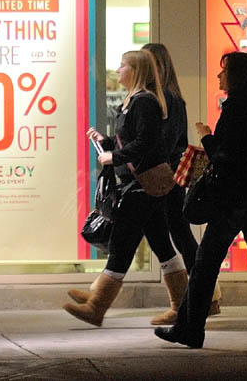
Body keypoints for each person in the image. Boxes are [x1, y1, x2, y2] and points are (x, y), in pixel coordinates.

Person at [154, 52, 247, 350]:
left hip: (231, 201)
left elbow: (225, 155)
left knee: (206, 265)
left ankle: (189, 329)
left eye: (224, 72)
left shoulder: (234, 109)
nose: (219, 77)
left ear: (237, 77)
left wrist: (207, 138)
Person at [64, 49, 188, 327]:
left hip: (140, 186)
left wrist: (113, 157)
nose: (117, 70)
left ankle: (96, 306)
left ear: (135, 71)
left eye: (123, 66)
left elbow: (146, 142)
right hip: (140, 185)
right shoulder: (134, 101)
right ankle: (181, 306)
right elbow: (131, 140)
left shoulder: (144, 102)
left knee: (122, 244)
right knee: (162, 245)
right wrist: (107, 142)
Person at [142, 43, 221, 323]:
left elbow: (167, 142)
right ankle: (201, 297)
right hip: (167, 173)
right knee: (175, 232)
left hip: (167, 175)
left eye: (147, 63)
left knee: (175, 233)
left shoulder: (168, 99)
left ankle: (197, 299)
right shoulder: (163, 97)